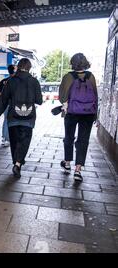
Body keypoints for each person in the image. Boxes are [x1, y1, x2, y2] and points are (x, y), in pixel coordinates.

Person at [0, 58, 43, 178]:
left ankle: (16, 161)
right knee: (24, 141)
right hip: (28, 118)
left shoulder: (11, 81)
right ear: (29, 67)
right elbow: (39, 101)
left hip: (13, 117)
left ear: (18, 66)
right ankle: (18, 163)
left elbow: (3, 100)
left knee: (14, 142)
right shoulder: (34, 81)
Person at [59, 53, 98, 182]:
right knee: (83, 140)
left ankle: (67, 163)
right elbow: (95, 97)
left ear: (73, 63)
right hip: (88, 113)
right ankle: (78, 170)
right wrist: (95, 115)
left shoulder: (68, 77)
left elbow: (62, 97)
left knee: (69, 137)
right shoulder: (91, 77)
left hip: (71, 112)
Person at [0, 64, 16, 147]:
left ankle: (4, 137)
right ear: (14, 70)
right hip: (13, 104)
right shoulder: (16, 81)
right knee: (11, 120)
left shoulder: (4, 81)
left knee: (6, 120)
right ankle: (8, 138)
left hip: (5, 104)